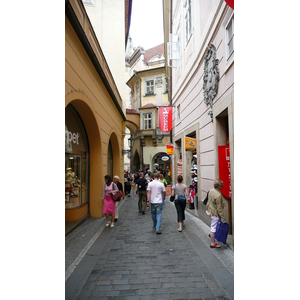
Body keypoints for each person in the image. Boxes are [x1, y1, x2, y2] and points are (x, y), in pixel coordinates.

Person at [206, 179, 225, 248]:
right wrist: (223, 218)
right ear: (219, 186)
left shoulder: (211, 190)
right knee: (213, 228)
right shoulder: (218, 195)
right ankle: (212, 243)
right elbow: (219, 208)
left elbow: (209, 200)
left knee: (213, 225)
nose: (222, 187)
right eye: (221, 186)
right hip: (214, 213)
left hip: (210, 211)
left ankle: (211, 235)